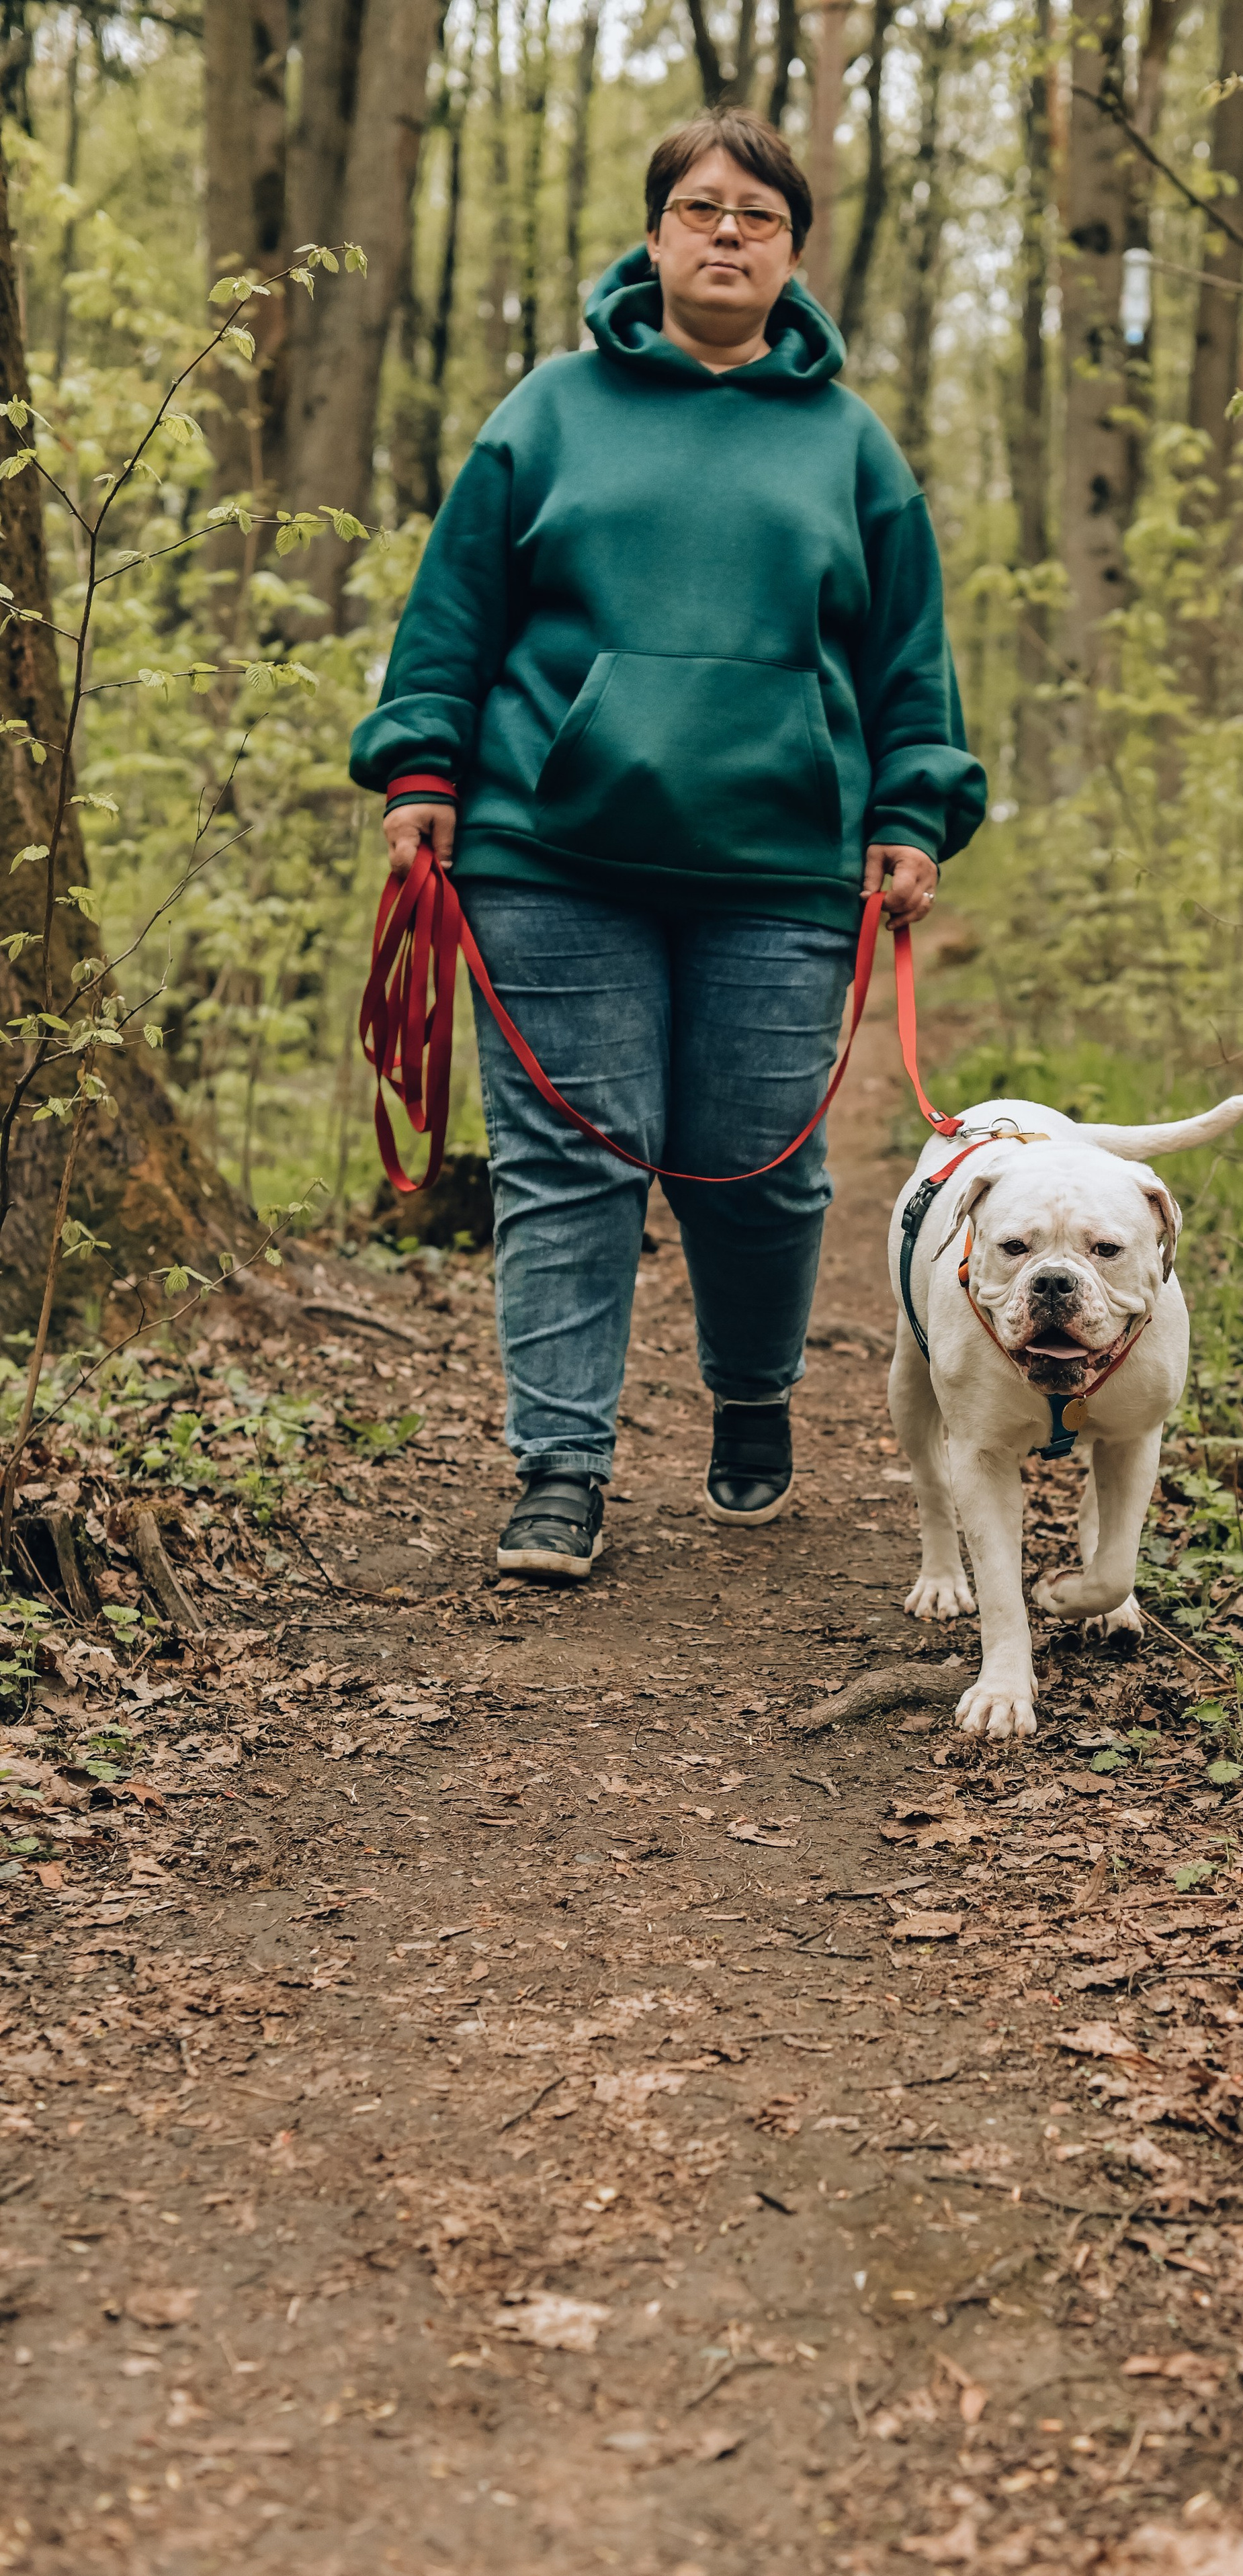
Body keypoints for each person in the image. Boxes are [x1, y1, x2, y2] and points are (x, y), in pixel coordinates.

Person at [350, 106, 986, 1583]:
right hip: (547, 848)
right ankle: (558, 1470)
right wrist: (420, 770)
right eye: (697, 209)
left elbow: (907, 656)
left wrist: (908, 808)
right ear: (652, 237)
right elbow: (454, 613)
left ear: (791, 255)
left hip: (776, 866)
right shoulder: (550, 411)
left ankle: (751, 1401)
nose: (723, 235)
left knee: (751, 1167)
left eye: (754, 218)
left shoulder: (847, 442)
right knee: (571, 1162)